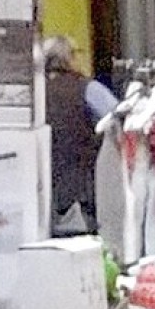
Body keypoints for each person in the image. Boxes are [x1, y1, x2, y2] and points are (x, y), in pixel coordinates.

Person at [42, 35, 117, 232]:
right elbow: (117, 117)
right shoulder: (88, 89)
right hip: (81, 186)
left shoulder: (36, 92)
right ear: (69, 58)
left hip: (41, 185)